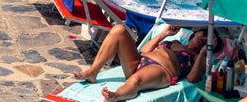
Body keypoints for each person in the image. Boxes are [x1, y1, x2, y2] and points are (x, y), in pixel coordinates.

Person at [75, 24, 207, 101]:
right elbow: (145, 49)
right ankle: (93, 73)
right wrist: (165, 34)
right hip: (140, 61)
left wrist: (202, 53)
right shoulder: (175, 42)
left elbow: (192, 78)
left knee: (136, 79)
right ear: (195, 33)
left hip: (160, 71)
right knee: (119, 29)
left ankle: (115, 96)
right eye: (204, 34)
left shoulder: (196, 57)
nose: (205, 39)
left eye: (209, 40)